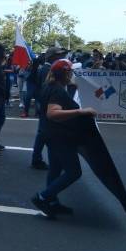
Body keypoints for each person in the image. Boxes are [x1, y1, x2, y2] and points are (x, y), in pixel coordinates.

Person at [31, 59, 97, 218]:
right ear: (64, 74)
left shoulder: (50, 86)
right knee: (74, 172)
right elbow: (52, 113)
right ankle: (43, 197)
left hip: (51, 134)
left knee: (55, 170)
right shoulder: (58, 90)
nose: (71, 74)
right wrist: (80, 112)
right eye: (70, 72)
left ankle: (52, 202)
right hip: (59, 136)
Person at [31, 47, 68, 169]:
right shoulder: (47, 69)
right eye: (59, 55)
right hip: (47, 105)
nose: (61, 57)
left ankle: (37, 159)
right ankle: (37, 160)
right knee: (45, 134)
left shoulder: (45, 68)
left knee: (43, 134)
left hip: (45, 104)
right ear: (52, 57)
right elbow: (46, 89)